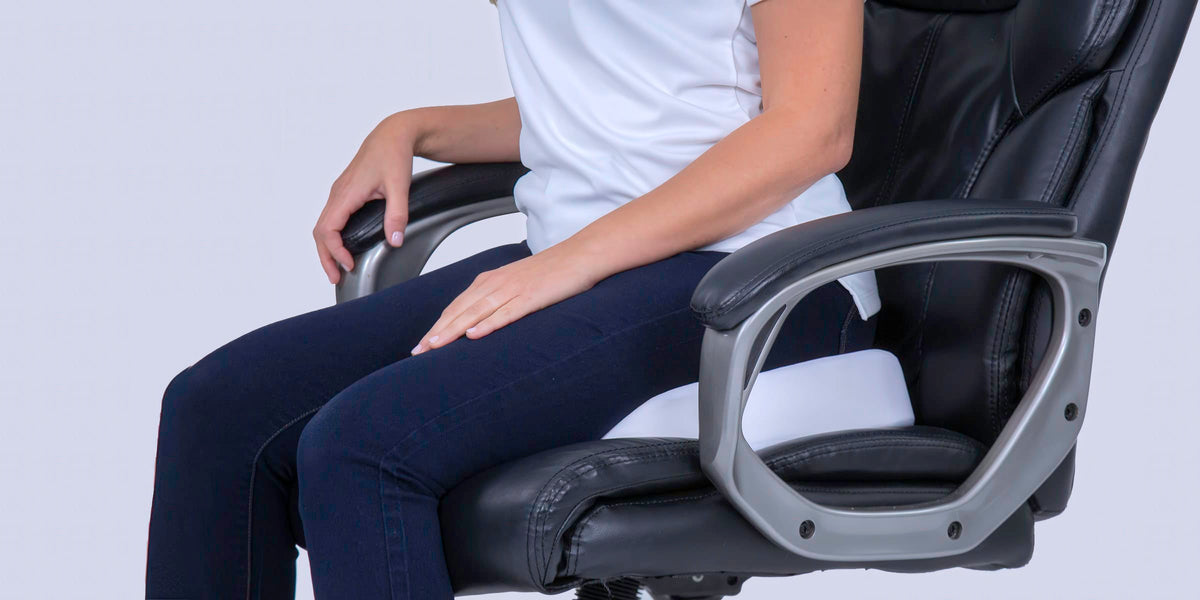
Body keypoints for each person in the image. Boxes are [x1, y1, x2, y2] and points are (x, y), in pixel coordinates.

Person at [145, 1, 880, 599]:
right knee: (217, 412)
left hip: (762, 275)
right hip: (581, 253)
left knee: (364, 447)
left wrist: (572, 263)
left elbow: (812, 130)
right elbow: (615, 95)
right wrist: (415, 127)